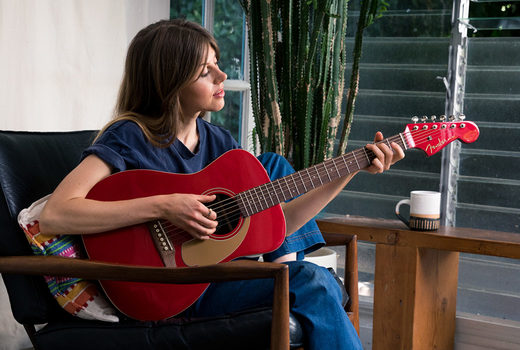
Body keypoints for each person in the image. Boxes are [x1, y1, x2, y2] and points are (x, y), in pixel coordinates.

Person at [39, 19, 404, 349]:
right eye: (205, 71)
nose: (222, 76)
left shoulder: (219, 144)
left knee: (314, 280)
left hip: (214, 281)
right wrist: (166, 206)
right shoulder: (130, 136)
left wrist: (350, 170)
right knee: (313, 281)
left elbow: (278, 225)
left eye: (217, 64)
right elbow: (57, 214)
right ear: (169, 81)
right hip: (160, 291)